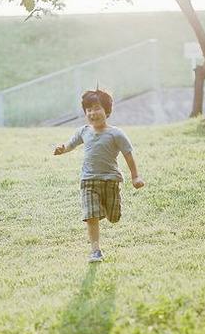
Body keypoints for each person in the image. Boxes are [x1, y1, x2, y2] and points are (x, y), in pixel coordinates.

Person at [53, 89, 144, 263]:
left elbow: (128, 155)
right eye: (89, 110)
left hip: (110, 181)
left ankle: (107, 209)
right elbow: (70, 144)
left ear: (107, 111)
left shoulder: (116, 133)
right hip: (88, 181)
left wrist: (135, 177)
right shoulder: (83, 131)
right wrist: (62, 149)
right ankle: (96, 250)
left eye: (96, 108)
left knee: (114, 218)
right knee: (90, 215)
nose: (92, 113)